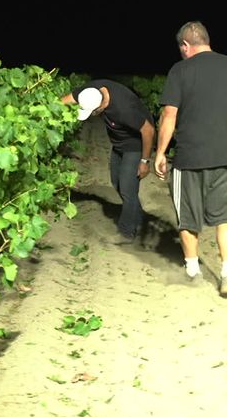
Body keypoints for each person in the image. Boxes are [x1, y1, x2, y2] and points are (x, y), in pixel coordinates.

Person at [154, 21, 227, 297]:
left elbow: (169, 115)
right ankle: (226, 273)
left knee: (187, 218)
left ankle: (193, 273)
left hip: (189, 157)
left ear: (185, 46)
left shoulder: (180, 70)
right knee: (225, 217)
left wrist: (160, 153)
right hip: (225, 156)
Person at [62, 79, 155, 242]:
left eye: (92, 112)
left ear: (101, 106)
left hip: (135, 145)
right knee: (116, 182)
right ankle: (137, 214)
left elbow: (148, 130)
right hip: (118, 143)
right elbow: (66, 100)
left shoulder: (124, 109)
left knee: (127, 189)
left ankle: (127, 232)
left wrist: (145, 161)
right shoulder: (92, 91)